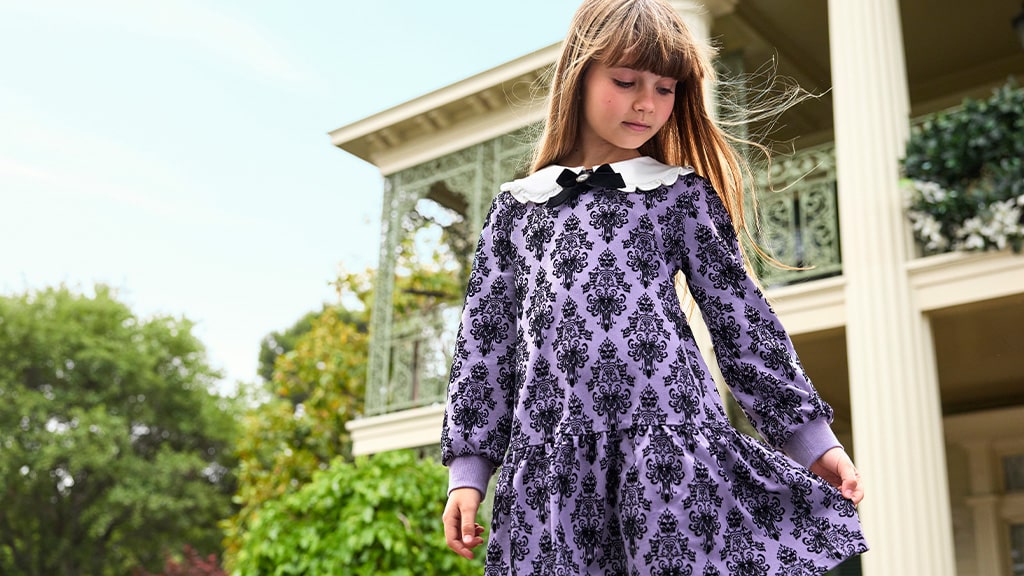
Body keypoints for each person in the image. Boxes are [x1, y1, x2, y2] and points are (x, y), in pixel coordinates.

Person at [440, 0, 869, 573]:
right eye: (626, 82)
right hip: (552, 466)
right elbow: (484, 344)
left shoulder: (679, 195)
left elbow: (743, 323)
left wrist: (812, 441)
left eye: (665, 89)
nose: (647, 102)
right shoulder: (516, 209)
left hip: (669, 455)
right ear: (578, 76)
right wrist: (467, 474)